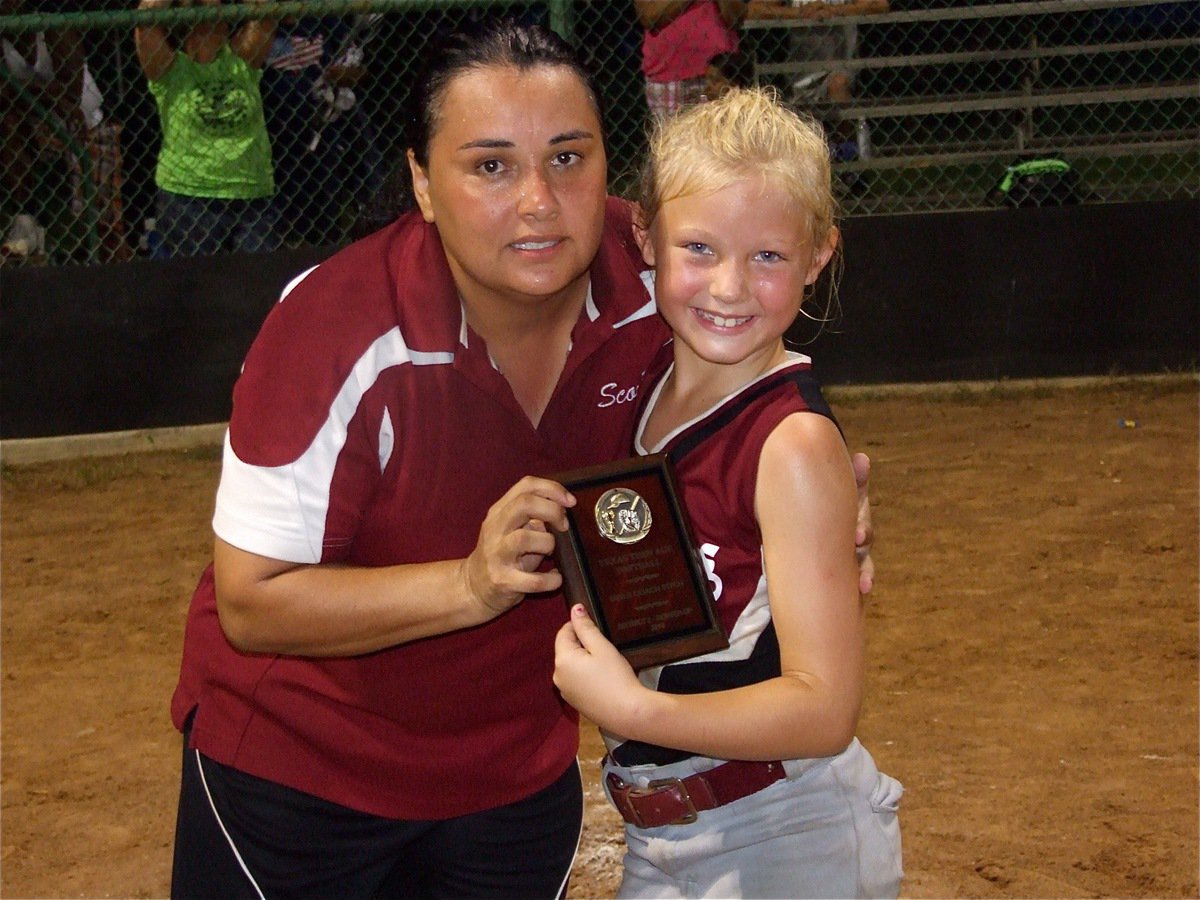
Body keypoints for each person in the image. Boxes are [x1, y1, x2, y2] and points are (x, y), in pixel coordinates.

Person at [168, 18, 875, 898]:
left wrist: (806, 488)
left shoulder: (661, 268)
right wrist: (470, 583)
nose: (539, 201)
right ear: (423, 183)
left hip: (514, 782)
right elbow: (252, 602)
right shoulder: (334, 327)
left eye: (569, 158)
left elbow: (756, 347)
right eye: (491, 165)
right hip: (307, 778)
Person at [553, 87, 902, 898]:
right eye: (700, 248)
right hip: (671, 836)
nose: (730, 286)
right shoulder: (643, 385)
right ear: (645, 238)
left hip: (785, 834)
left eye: (770, 256)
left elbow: (824, 709)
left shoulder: (791, 442)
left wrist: (638, 715)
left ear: (819, 256)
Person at [133, 0, 280, 257]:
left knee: (259, 287)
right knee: (194, 288)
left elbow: (266, 11)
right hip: (188, 195)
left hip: (251, 192)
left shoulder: (241, 61)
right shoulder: (171, 68)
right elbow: (146, 20)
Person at [748, 0, 889, 160]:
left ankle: (849, 157)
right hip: (802, 68)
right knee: (806, 125)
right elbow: (754, 9)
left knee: (838, 85)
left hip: (841, 61)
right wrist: (799, 13)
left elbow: (879, 4)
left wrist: (837, 11)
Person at [636, 1, 748, 120]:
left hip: (719, 72)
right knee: (673, 136)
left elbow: (736, 18)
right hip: (668, 73)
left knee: (723, 135)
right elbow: (649, 16)